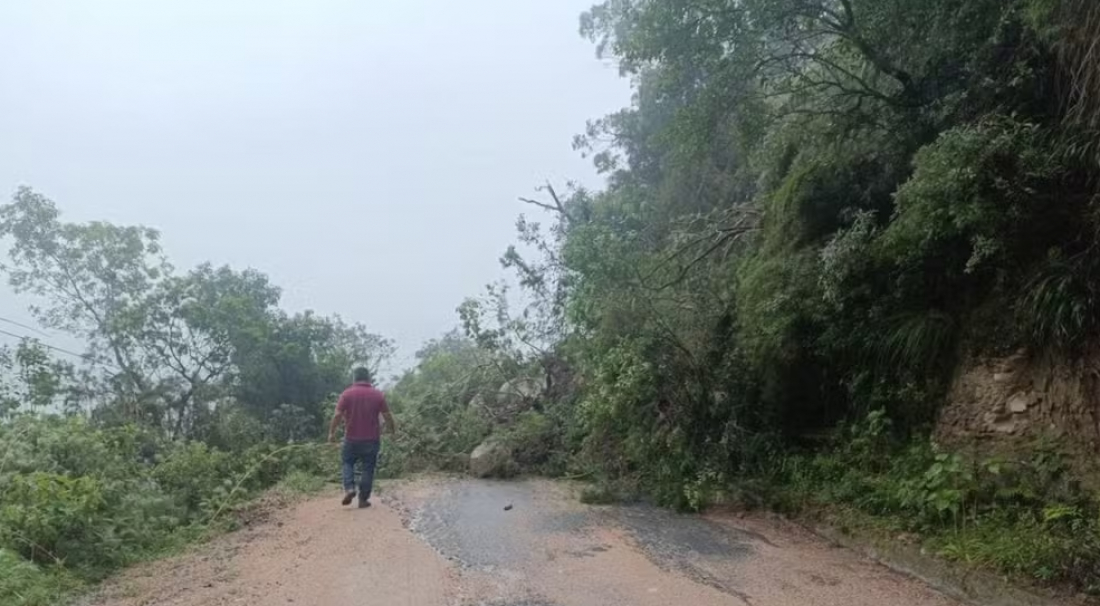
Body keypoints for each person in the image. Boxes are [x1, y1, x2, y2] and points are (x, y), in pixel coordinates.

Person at [328, 367, 396, 508]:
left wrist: (331, 433)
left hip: (351, 439)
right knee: (368, 468)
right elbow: (387, 415)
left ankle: (349, 488)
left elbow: (337, 415)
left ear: (354, 378)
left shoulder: (347, 394)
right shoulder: (378, 395)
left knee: (347, 463)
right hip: (372, 439)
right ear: (368, 378)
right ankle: (363, 500)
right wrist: (392, 431)